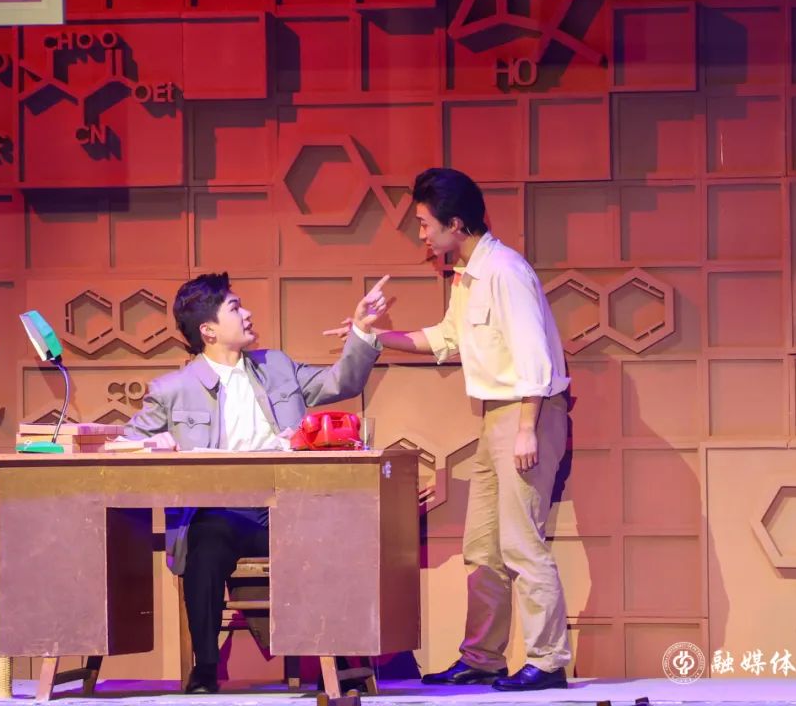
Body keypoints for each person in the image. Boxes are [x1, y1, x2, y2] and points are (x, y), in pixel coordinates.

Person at [333, 168, 571, 692]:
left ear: (456, 223)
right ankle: (482, 658)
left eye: (425, 223)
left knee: (521, 542)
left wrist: (527, 427)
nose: (421, 234)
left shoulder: (505, 271)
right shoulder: (467, 276)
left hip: (526, 411)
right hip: (495, 416)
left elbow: (534, 355)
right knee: (482, 546)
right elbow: (447, 339)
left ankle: (549, 660)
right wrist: (371, 336)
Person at [123, 271, 389, 694]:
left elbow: (342, 381)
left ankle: (337, 661)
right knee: (206, 545)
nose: (247, 313)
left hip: (289, 506)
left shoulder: (276, 366)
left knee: (331, 534)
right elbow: (123, 444)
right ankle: (206, 668)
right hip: (225, 513)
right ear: (208, 330)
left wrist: (361, 329)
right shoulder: (173, 390)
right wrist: (153, 444)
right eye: (235, 307)